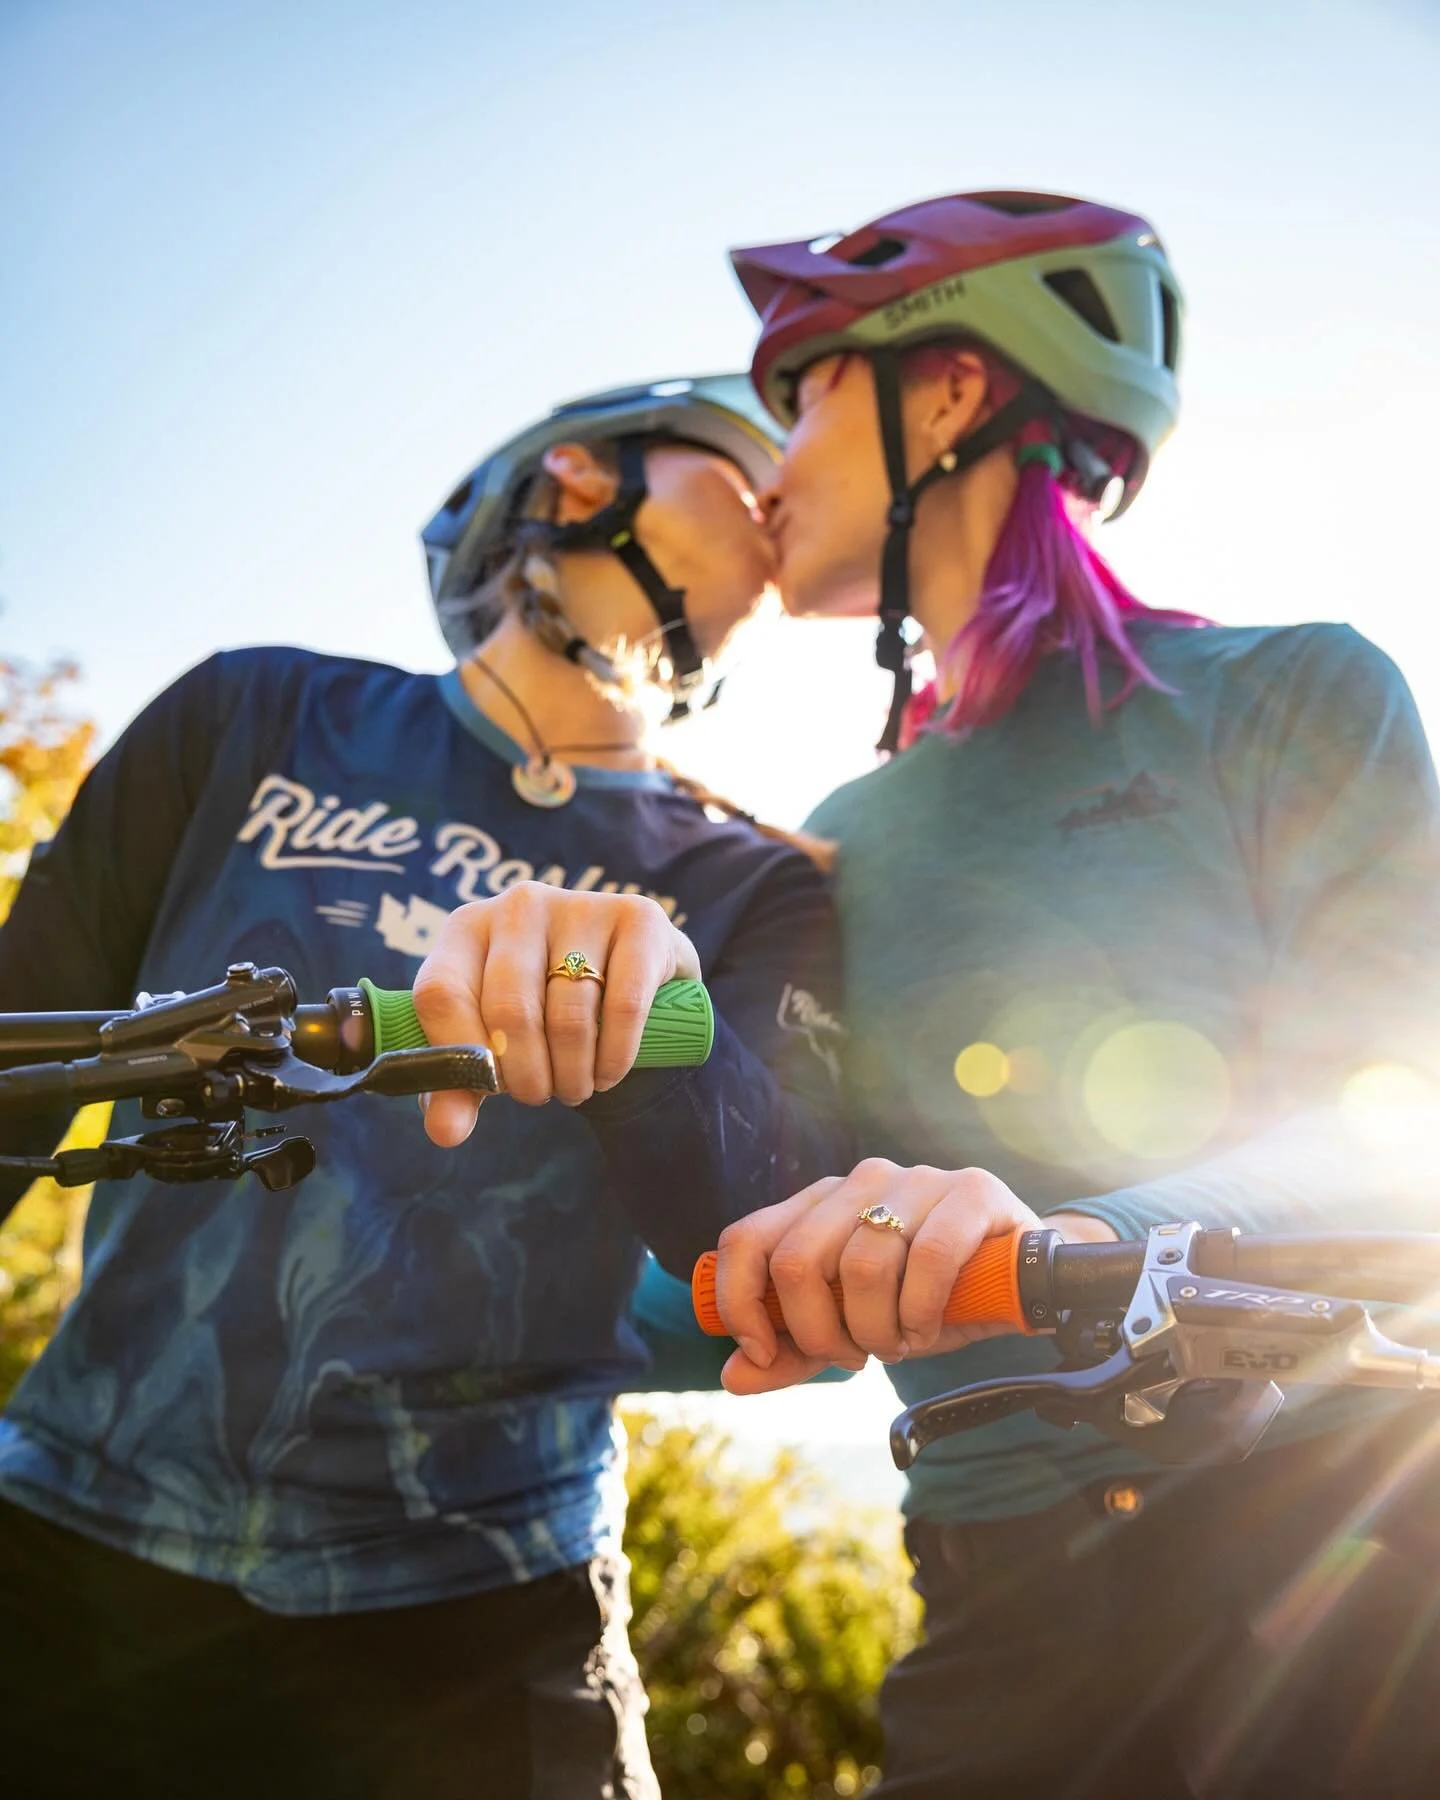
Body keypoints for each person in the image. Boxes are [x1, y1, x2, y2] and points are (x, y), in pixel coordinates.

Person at [0, 375, 847, 1799]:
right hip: (73, 1545)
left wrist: (641, 1015)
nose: (778, 499)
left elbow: (766, 1243)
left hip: (485, 1611)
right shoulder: (255, 712)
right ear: (584, 481)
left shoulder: (749, 884)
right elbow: (17, 1066)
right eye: (740, 464)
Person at [696, 191, 1440, 1797]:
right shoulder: (839, 840)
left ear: (948, 391)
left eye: (804, 393)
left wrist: (1070, 1249)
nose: (771, 468)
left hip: (1354, 1550)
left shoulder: (1294, 690)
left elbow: (1408, 1133)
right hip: (1002, 1592)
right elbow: (761, 1269)